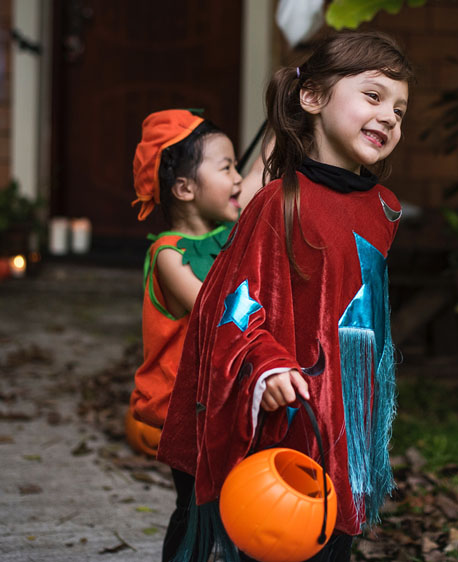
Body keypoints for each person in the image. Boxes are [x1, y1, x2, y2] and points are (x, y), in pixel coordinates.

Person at [158, 30, 413, 562]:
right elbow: (232, 303)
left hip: (347, 412)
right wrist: (267, 367)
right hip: (289, 406)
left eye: (400, 109)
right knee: (274, 536)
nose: (389, 116)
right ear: (313, 97)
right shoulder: (280, 202)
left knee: (331, 532)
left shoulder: (384, 207)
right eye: (373, 96)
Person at [127, 108, 265, 561]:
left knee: (236, 502)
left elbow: (260, 177)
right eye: (226, 168)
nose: (239, 180)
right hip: (188, 408)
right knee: (195, 506)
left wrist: (285, 117)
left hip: (225, 400)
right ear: (185, 188)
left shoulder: (231, 233)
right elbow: (215, 309)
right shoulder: (169, 253)